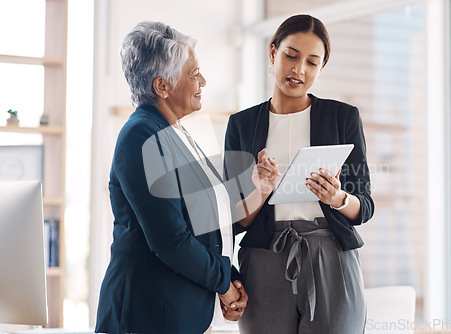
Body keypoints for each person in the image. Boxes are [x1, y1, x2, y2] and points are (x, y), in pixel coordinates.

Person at [224, 14, 375, 334]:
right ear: (273, 52)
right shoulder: (242, 124)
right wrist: (261, 190)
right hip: (265, 256)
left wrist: (337, 197)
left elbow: (364, 206)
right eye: (291, 55)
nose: (299, 70)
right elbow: (234, 217)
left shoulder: (343, 117)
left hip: (331, 253)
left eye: (312, 62)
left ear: (321, 68)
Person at [95, 21, 247, 334]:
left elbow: (202, 223)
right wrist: (222, 283)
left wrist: (227, 274)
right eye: (193, 75)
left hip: (175, 314)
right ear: (162, 86)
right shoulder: (141, 137)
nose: (202, 81)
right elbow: (171, 241)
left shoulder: (175, 132)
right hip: (146, 315)